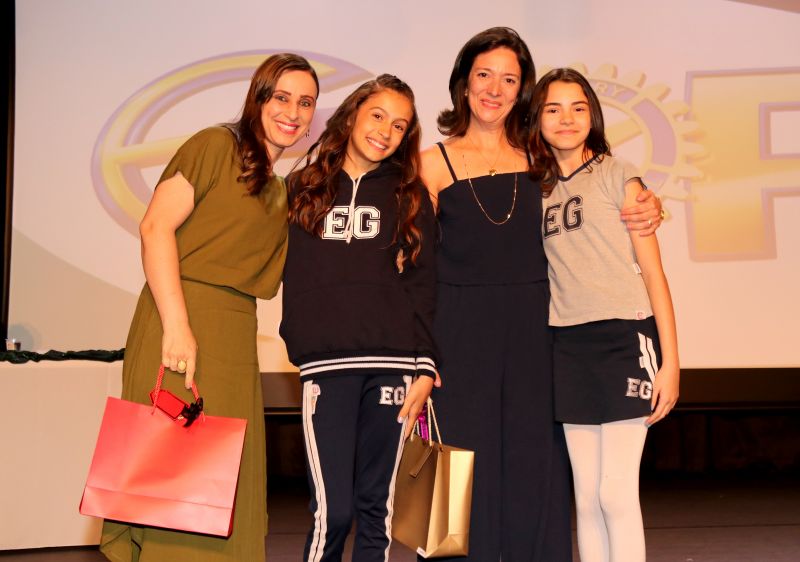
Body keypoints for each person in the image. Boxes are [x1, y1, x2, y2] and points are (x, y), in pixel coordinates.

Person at [419, 28, 664, 561]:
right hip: (457, 336)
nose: (494, 89)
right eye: (484, 75)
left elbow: (598, 192)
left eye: (509, 79)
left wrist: (648, 201)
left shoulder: (542, 160)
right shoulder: (429, 163)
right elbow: (411, 265)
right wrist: (419, 354)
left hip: (537, 335)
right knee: (455, 469)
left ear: (523, 90)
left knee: (536, 469)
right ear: (463, 83)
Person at [100, 54, 319, 562]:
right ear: (258, 98)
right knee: (172, 471)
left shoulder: (280, 189)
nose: (293, 112)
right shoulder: (215, 145)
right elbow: (155, 227)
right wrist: (177, 327)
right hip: (180, 317)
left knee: (224, 479)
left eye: (306, 102)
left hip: (235, 335)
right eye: (281, 97)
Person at [280, 74, 438, 562]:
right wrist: (300, 338)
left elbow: (424, 283)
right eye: (378, 116)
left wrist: (425, 364)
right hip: (327, 368)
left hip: (394, 367)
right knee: (334, 512)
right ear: (351, 116)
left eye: (399, 125)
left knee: (377, 511)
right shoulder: (301, 188)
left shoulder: (409, 194)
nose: (386, 132)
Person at [531, 67, 680, 562]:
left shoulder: (620, 175)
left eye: (578, 108)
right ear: (537, 119)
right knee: (586, 498)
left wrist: (671, 364)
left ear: (592, 115)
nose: (566, 118)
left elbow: (654, 273)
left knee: (616, 493)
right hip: (566, 345)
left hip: (625, 339)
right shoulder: (536, 187)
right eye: (553, 109)